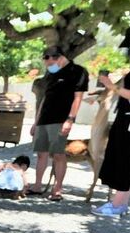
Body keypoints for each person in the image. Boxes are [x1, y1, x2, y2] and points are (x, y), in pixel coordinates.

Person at [25, 46, 89, 201]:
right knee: (41, 154)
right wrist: (36, 122)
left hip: (60, 120)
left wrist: (70, 119)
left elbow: (78, 98)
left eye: (49, 63)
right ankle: (37, 186)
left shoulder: (78, 72)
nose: (48, 67)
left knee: (58, 155)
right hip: (44, 119)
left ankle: (57, 190)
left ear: (59, 57)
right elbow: (45, 99)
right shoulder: (53, 74)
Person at [91, 70, 130, 216]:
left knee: (124, 163)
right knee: (123, 162)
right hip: (124, 120)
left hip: (128, 123)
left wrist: (111, 85)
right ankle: (121, 204)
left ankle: (117, 204)